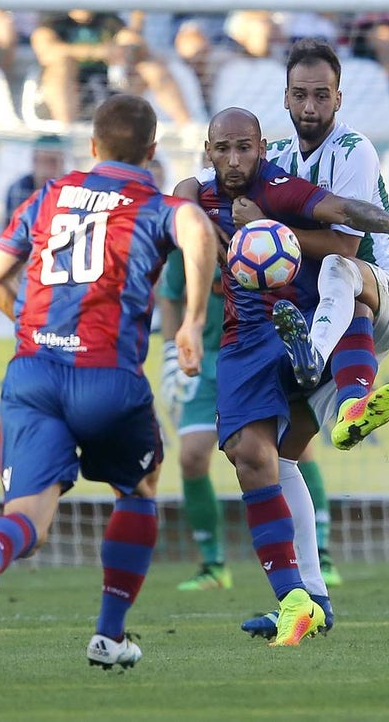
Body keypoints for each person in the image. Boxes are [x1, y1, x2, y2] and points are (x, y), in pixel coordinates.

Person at [0, 94, 217, 668]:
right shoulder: (151, 201)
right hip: (106, 377)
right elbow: (195, 224)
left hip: (33, 373)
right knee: (140, 487)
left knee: (28, 516)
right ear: (151, 151)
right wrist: (193, 320)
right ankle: (109, 634)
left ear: (92, 146)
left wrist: (35, 330)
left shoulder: (49, 195)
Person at [174, 106, 389, 646]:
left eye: (244, 147)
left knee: (344, 299)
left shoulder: (279, 187)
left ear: (262, 148)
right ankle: (303, 599)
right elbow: (170, 214)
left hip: (293, 322)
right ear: (208, 151)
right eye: (223, 148)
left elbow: (341, 210)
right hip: (241, 341)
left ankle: (350, 399)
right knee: (252, 455)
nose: (234, 159)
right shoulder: (195, 196)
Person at [232, 38, 389, 631]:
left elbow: (345, 244)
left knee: (342, 270)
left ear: (339, 98)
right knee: (274, 456)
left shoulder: (353, 149)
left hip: (387, 291)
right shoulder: (280, 154)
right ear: (285, 98)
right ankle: (312, 601)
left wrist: (263, 226)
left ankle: (353, 400)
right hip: (329, 318)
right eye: (300, 94)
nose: (310, 105)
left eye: (322, 94)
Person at [30, 0, 194, 126]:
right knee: (62, 66)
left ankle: (186, 129)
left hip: (106, 89)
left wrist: (130, 47)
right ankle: (66, 133)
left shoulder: (108, 18)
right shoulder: (53, 17)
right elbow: (46, 50)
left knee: (151, 66)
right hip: (63, 92)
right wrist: (100, 52)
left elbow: (130, 41)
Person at [158, 248, 231, 591]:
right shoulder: (186, 238)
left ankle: (319, 556)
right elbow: (170, 296)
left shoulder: (258, 222)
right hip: (201, 360)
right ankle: (213, 564)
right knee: (191, 457)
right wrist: (171, 354)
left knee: (291, 450)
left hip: (250, 351)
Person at [4, 134, 68, 222]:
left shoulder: (76, 188)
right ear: (33, 161)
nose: (45, 169)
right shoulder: (18, 189)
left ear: (62, 163)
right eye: (41, 161)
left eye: (52, 162)